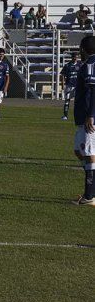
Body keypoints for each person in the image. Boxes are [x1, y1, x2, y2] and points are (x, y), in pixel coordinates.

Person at [70, 35, 95, 206]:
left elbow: (94, 91)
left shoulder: (90, 65)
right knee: (79, 151)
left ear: (84, 49)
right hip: (83, 117)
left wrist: (91, 115)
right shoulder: (88, 64)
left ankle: (89, 196)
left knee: (89, 155)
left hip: (89, 117)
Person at [60, 52, 81, 121]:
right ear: (72, 57)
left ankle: (80, 115)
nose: (75, 58)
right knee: (67, 101)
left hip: (77, 86)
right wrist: (63, 84)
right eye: (74, 57)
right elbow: (62, 75)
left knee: (78, 101)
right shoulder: (67, 65)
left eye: (76, 57)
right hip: (69, 85)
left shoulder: (80, 65)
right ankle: (65, 115)